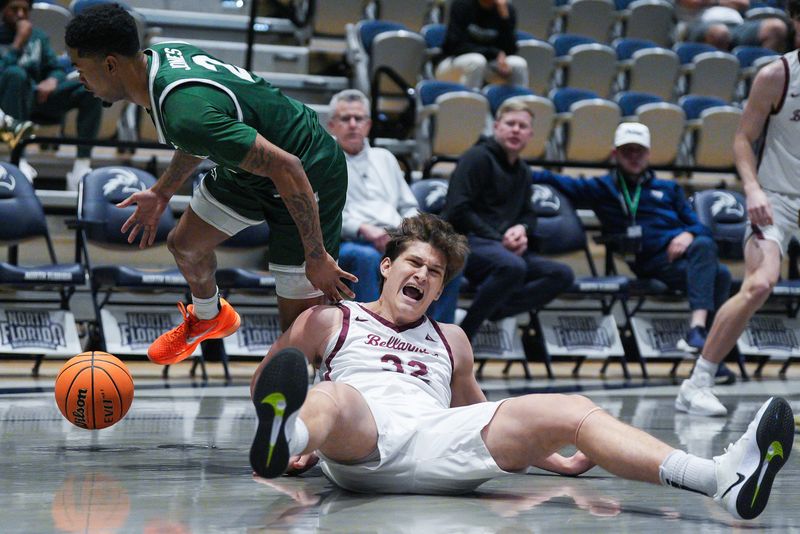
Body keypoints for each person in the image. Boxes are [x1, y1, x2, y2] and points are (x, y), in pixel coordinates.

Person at [247, 213, 794, 523]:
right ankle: (288, 433)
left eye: (435, 272)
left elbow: (481, 415)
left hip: (440, 442)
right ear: (386, 267)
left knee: (573, 407)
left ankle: (720, 478)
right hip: (362, 442)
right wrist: (304, 437)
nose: (423, 275)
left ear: (440, 288)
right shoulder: (330, 319)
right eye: (414, 262)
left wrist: (554, 458)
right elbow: (266, 381)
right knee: (332, 399)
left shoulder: (452, 338)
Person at [65, 4, 356, 365]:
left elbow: (289, 168)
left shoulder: (183, 111)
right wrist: (162, 192)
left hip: (308, 169)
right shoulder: (163, 61)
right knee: (185, 244)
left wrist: (316, 257)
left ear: (110, 64)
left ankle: (319, 405)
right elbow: (206, 134)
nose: (79, 78)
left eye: (80, 68)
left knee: (296, 335)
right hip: (257, 166)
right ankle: (209, 316)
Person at [674, 0, 800, 417]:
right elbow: (743, 139)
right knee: (760, 283)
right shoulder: (777, 74)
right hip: (775, 199)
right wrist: (752, 189)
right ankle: (698, 382)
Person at [534, 123, 733, 358]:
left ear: (648, 154)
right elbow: (552, 179)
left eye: (639, 151)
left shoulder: (669, 188)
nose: (634, 157)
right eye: (627, 151)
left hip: (684, 258)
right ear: (615, 154)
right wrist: (516, 169)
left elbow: (700, 228)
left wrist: (687, 234)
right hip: (649, 261)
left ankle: (700, 339)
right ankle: (708, 351)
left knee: (718, 268)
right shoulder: (602, 187)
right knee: (713, 265)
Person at [443, 100, 574, 341]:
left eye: (522, 126)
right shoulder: (476, 157)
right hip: (467, 243)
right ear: (496, 127)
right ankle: (465, 336)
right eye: (510, 123)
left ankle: (485, 312)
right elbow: (457, 209)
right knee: (513, 266)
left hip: (503, 248)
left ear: (530, 134)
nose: (516, 130)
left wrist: (522, 229)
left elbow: (529, 214)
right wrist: (499, 238)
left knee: (561, 274)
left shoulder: (523, 170)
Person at [329, 88, 461, 323]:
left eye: (358, 118)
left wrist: (404, 231)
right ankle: (370, 329)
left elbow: (408, 204)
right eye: (345, 118)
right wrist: (363, 229)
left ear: (368, 125)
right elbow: (326, 215)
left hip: (396, 237)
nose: (352, 124)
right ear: (332, 125)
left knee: (443, 258)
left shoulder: (385, 158)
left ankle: (435, 334)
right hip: (348, 241)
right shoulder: (324, 160)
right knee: (366, 256)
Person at [0, 0, 102, 187]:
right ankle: (18, 158)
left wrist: (52, 80)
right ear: (2, 10)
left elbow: (55, 68)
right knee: (16, 75)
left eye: (25, 9)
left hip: (37, 98)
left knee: (90, 88)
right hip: (6, 105)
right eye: (14, 9)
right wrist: (17, 44)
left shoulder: (38, 37)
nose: (21, 14)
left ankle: (81, 166)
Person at [436, 0, 528, 89]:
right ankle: (470, 104)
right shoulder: (462, 4)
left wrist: (505, 19)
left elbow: (511, 50)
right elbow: (454, 46)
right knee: (477, 61)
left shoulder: (506, 10)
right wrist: (494, 53)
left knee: (519, 64)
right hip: (453, 62)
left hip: (489, 64)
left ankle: (517, 103)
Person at [676, 0, 791, 52]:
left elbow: (743, 3)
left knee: (776, 27)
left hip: (737, 25)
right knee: (720, 33)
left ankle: (761, 78)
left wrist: (712, 2)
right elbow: (693, 2)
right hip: (697, 24)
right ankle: (723, 78)